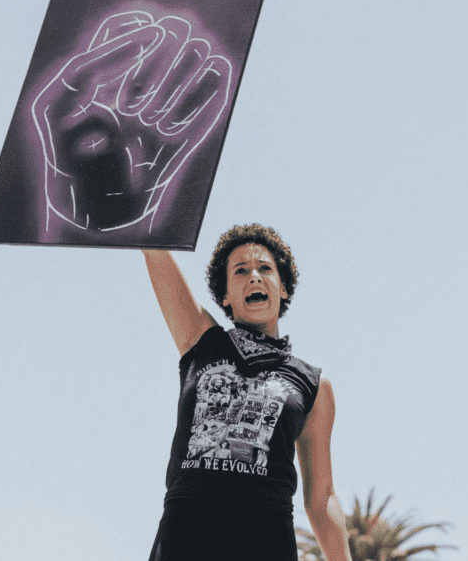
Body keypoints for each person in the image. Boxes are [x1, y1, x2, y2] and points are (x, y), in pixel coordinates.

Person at [143, 224, 352, 561]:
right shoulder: (202, 342)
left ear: (282, 288)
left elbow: (321, 496)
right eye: (240, 271)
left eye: (265, 269)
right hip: (186, 532)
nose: (254, 276)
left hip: (265, 538)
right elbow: (153, 247)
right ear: (225, 295)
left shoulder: (313, 384)